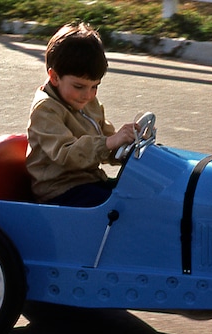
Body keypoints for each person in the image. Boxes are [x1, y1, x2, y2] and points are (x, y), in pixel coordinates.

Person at [26, 22, 138, 207]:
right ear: (54, 77)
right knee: (118, 207)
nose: (88, 94)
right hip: (59, 190)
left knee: (140, 195)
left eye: (95, 86)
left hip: (89, 181)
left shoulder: (88, 103)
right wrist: (110, 142)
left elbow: (106, 146)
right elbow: (66, 154)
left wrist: (129, 145)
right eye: (79, 86)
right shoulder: (45, 109)